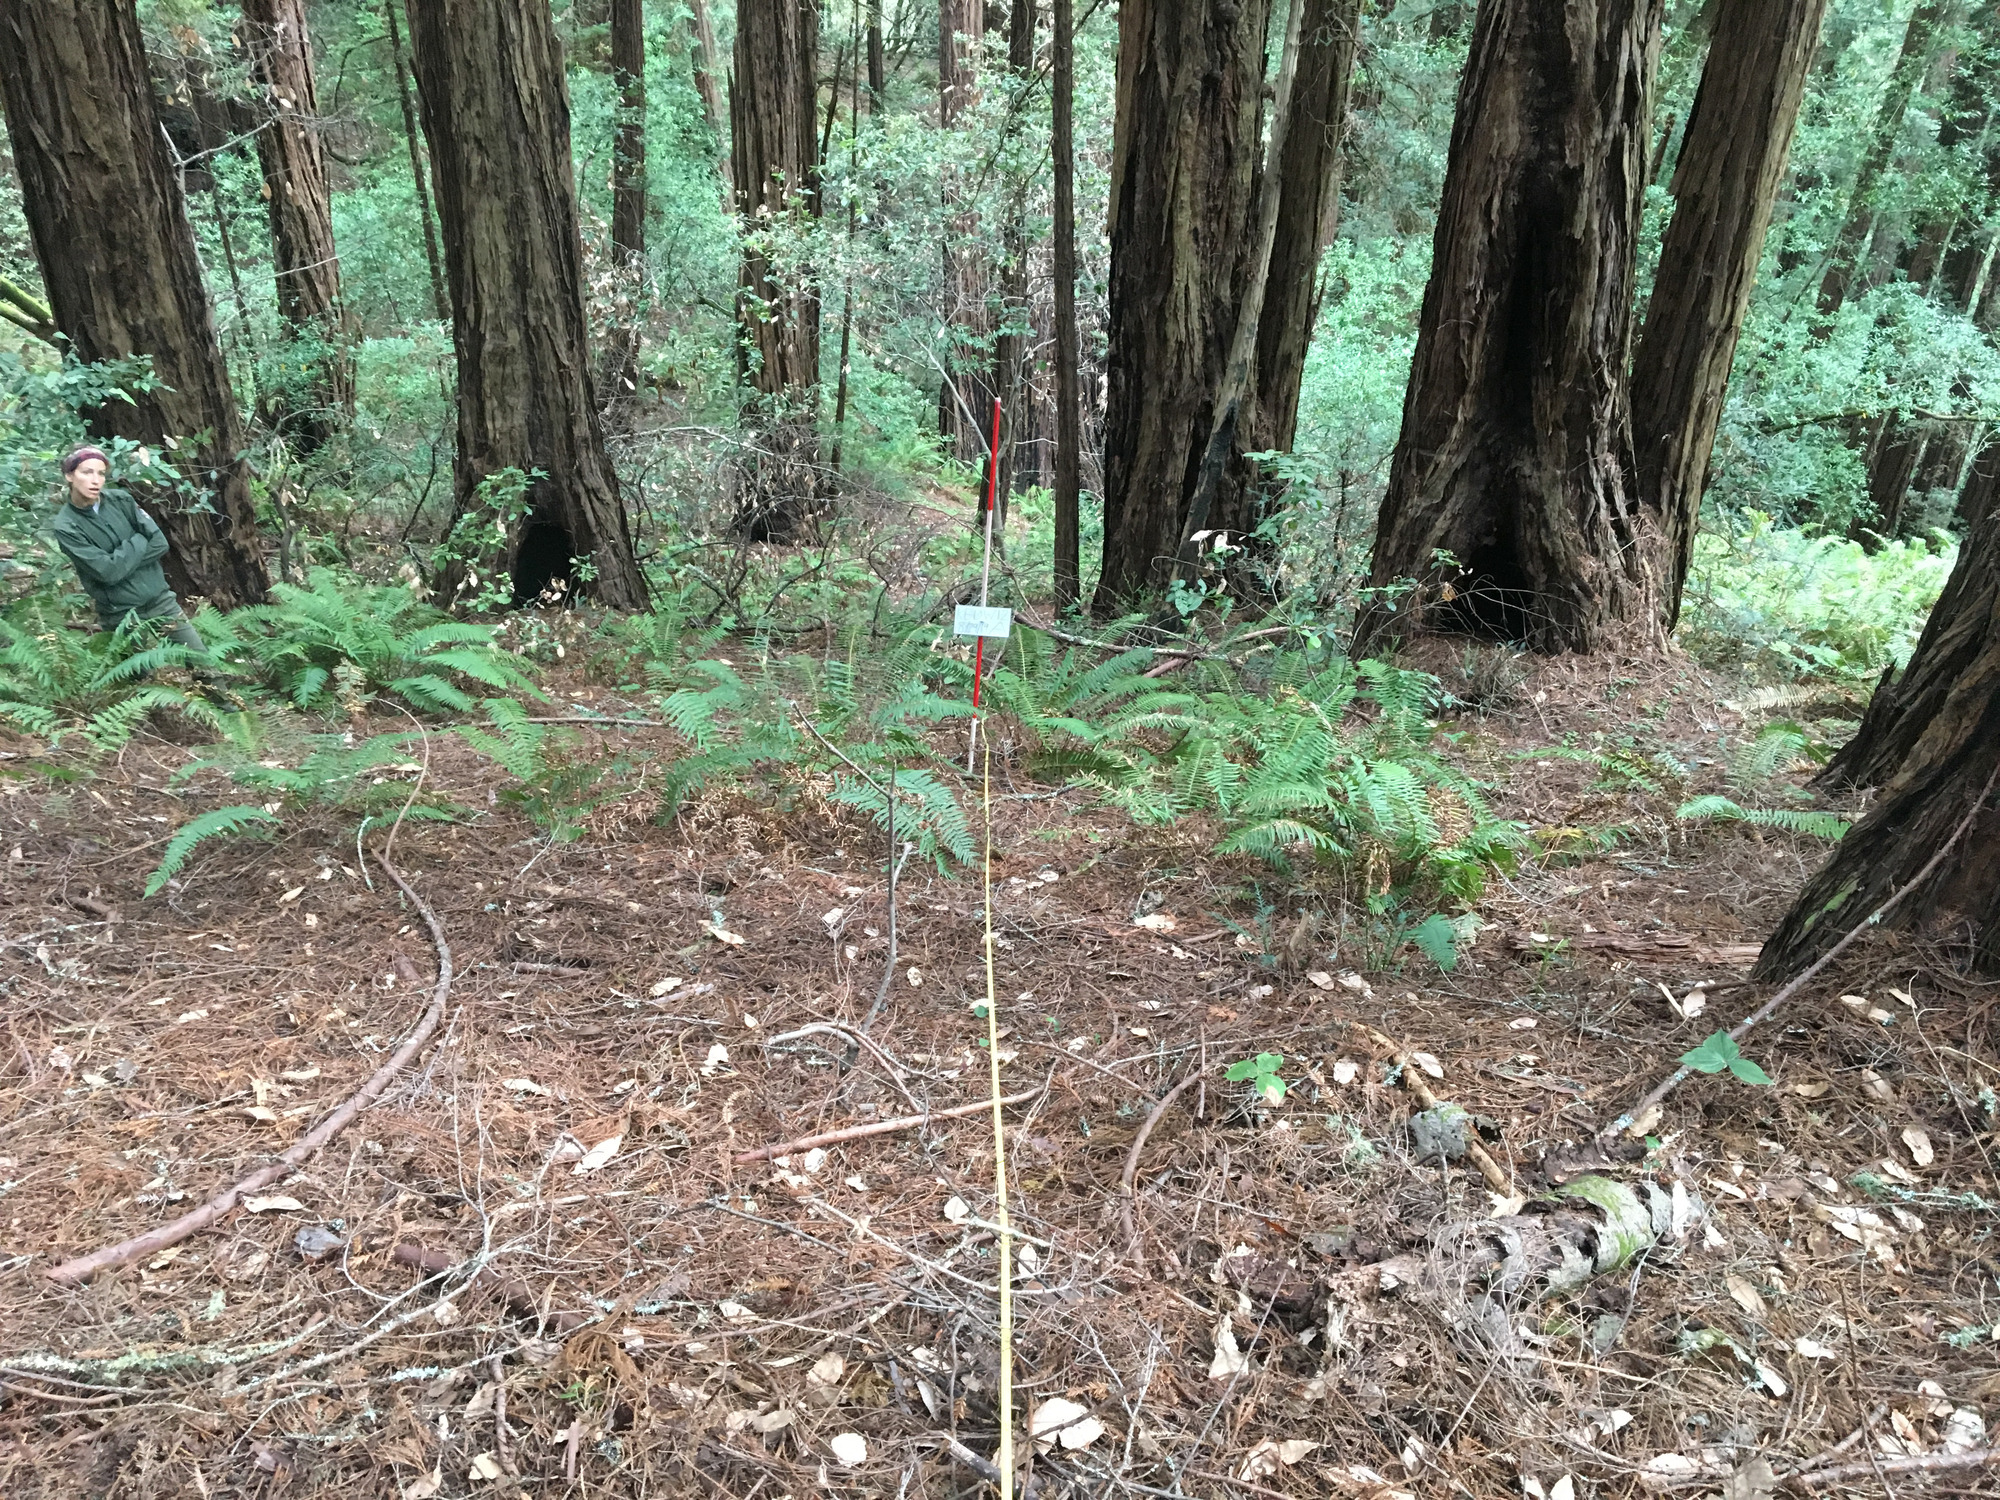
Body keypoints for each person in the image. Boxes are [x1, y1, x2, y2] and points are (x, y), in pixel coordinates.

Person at [51, 445, 209, 656]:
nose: (95, 480)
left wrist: (119, 561)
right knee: (139, 680)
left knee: (202, 663)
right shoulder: (67, 526)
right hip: (120, 613)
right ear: (70, 475)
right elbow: (107, 572)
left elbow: (160, 543)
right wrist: (138, 540)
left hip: (160, 600)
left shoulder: (121, 500)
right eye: (87, 472)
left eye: (100, 473)